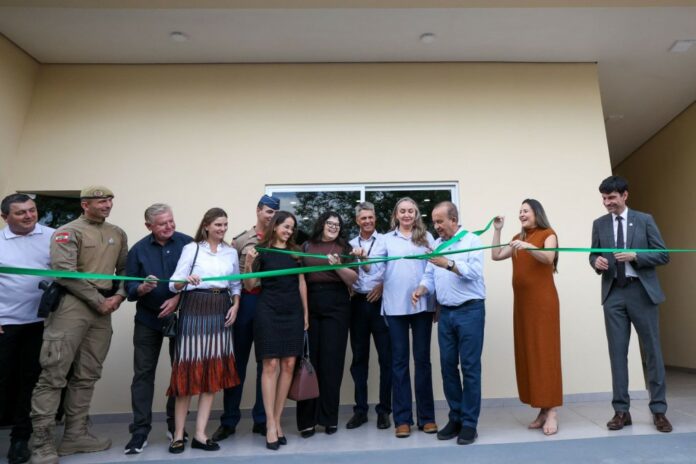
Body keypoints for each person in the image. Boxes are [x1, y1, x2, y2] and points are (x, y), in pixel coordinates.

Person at [30, 186, 128, 464]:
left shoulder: (117, 233)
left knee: (87, 374)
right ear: (85, 204)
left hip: (104, 309)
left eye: (110, 200)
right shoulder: (68, 232)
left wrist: (119, 296)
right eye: (101, 201)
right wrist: (98, 301)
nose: (107, 205)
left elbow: (125, 270)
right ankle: (42, 443)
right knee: (53, 374)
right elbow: (64, 272)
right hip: (72, 307)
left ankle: (75, 435)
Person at [589, 176, 672, 433]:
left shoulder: (644, 220)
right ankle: (621, 411)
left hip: (642, 293)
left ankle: (659, 411)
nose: (607, 203)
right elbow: (593, 254)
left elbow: (663, 254)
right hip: (613, 293)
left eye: (612, 197)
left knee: (653, 352)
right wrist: (596, 262)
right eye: (604, 198)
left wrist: (636, 256)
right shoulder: (599, 224)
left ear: (625, 195)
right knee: (617, 354)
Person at [165, 207, 242, 453]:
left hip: (221, 309)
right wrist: (185, 280)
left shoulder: (231, 252)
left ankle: (200, 434)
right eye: (218, 224)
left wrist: (235, 305)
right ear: (206, 225)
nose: (222, 229)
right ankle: (178, 434)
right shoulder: (192, 249)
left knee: (213, 374)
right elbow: (173, 284)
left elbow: (236, 284)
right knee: (187, 373)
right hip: (195, 308)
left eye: (225, 224)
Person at [413, 202, 485, 445]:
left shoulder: (472, 240)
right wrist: (421, 289)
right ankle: (456, 417)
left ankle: (469, 423)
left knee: (470, 368)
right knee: (447, 368)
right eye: (434, 222)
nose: (436, 226)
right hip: (445, 314)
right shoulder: (437, 245)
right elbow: (429, 275)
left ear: (453, 219)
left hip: (470, 311)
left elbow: (475, 272)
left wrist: (449, 264)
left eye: (439, 221)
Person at [123, 204, 193, 454]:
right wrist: (141, 288)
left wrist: (177, 299)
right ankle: (140, 431)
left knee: (181, 372)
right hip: (147, 319)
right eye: (163, 223)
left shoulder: (188, 244)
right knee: (143, 374)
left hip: (182, 317)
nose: (169, 226)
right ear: (149, 226)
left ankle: (176, 426)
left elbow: (199, 279)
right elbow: (129, 288)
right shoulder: (138, 250)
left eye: (171, 221)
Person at [491, 199, 562, 435]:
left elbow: (549, 258)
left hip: (543, 304)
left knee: (545, 353)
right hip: (522, 304)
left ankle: (552, 411)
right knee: (530, 354)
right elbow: (496, 255)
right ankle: (542, 409)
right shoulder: (517, 237)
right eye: (519, 211)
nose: (521, 214)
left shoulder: (548, 233)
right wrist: (498, 230)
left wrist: (528, 246)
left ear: (536, 213)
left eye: (525, 211)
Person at [213, 194, 279, 442]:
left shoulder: (278, 239)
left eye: (275, 213)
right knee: (236, 363)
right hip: (246, 302)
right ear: (258, 210)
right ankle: (229, 421)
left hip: (269, 303)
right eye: (268, 211)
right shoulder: (240, 240)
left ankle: (262, 420)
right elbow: (232, 276)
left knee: (267, 364)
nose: (272, 216)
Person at [243, 211, 309, 450]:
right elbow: (249, 285)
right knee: (270, 364)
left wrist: (306, 314)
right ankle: (270, 423)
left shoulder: (296, 253)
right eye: (286, 226)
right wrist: (248, 264)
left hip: (293, 312)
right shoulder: (261, 251)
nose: (289, 231)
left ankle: (278, 419)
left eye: (292, 228)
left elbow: (301, 283)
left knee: (289, 364)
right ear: (275, 226)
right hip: (268, 311)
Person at [373, 197, 437, 438]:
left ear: (416, 214)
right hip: (395, 308)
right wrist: (362, 260)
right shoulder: (386, 239)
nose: (407, 214)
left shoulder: (427, 237)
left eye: (411, 211)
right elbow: (375, 268)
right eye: (403, 211)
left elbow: (434, 268)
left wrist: (431, 296)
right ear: (396, 215)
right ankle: (402, 419)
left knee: (423, 362)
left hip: (422, 306)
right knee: (399, 363)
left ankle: (427, 418)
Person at [0, 194, 54, 464]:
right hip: (5, 324)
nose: (29, 216)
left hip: (42, 323)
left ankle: (20, 439)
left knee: (31, 383)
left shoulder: (53, 236)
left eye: (32, 210)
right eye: (20, 212)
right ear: (5, 217)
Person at [296, 211, 357, 437]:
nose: (333, 227)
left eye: (337, 224)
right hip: (310, 303)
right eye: (330, 223)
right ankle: (307, 422)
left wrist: (338, 266)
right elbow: (300, 278)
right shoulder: (306, 246)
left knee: (332, 363)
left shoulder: (346, 248)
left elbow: (353, 279)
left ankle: (329, 419)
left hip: (337, 305)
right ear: (321, 224)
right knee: (310, 363)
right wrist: (304, 312)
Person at [345, 202, 392, 430]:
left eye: (370, 217)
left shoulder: (385, 241)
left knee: (386, 358)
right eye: (363, 218)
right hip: (357, 303)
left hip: (380, 302)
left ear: (375, 219)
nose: (367, 221)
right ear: (357, 221)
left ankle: (384, 411)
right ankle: (360, 410)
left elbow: (393, 269)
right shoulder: (349, 244)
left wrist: (383, 286)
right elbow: (345, 272)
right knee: (359, 359)